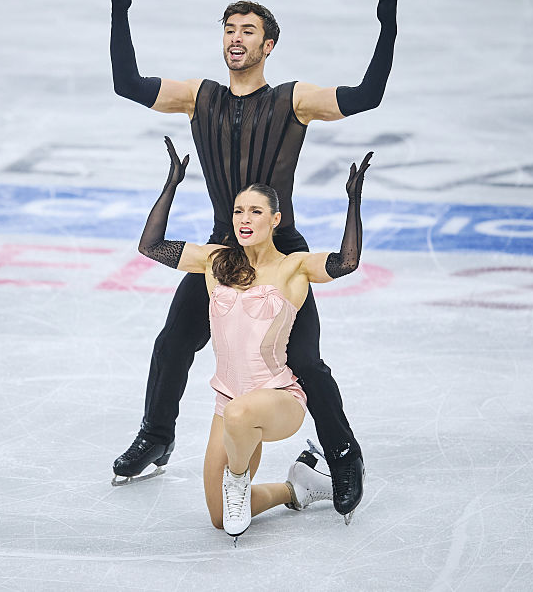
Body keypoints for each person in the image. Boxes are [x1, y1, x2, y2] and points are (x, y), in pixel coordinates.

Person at [107, 0, 400, 523]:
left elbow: (366, 95)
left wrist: (386, 28)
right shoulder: (199, 96)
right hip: (223, 248)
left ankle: (343, 455)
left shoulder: (293, 100)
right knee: (174, 341)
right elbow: (127, 84)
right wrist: (121, 15)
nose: (235, 38)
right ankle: (157, 435)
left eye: (247, 31)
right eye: (229, 29)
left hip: (281, 248)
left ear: (268, 45)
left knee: (304, 360)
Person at [137, 136, 372, 539]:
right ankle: (297, 488)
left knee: (240, 415)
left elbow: (346, 262)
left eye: (256, 211)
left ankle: (237, 480)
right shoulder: (215, 262)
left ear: (275, 219)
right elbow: (151, 246)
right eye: (238, 211)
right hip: (228, 400)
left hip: (277, 398)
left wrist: (353, 202)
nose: (244, 219)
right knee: (219, 518)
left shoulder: (294, 267)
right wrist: (171, 185)